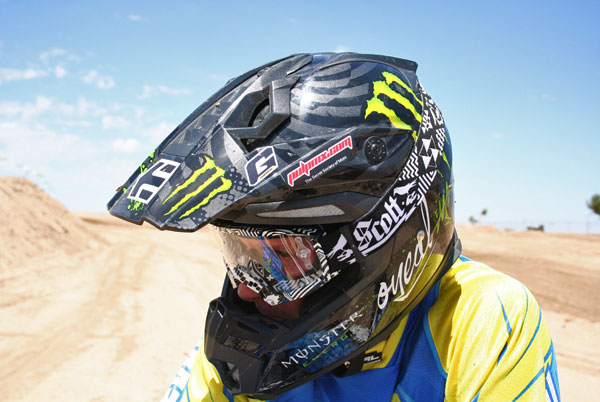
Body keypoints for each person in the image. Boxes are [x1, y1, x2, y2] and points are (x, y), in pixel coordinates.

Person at [107, 53, 561, 401]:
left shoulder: (480, 318)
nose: (245, 291)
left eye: (282, 256)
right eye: (239, 256)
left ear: (385, 235)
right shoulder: (241, 351)